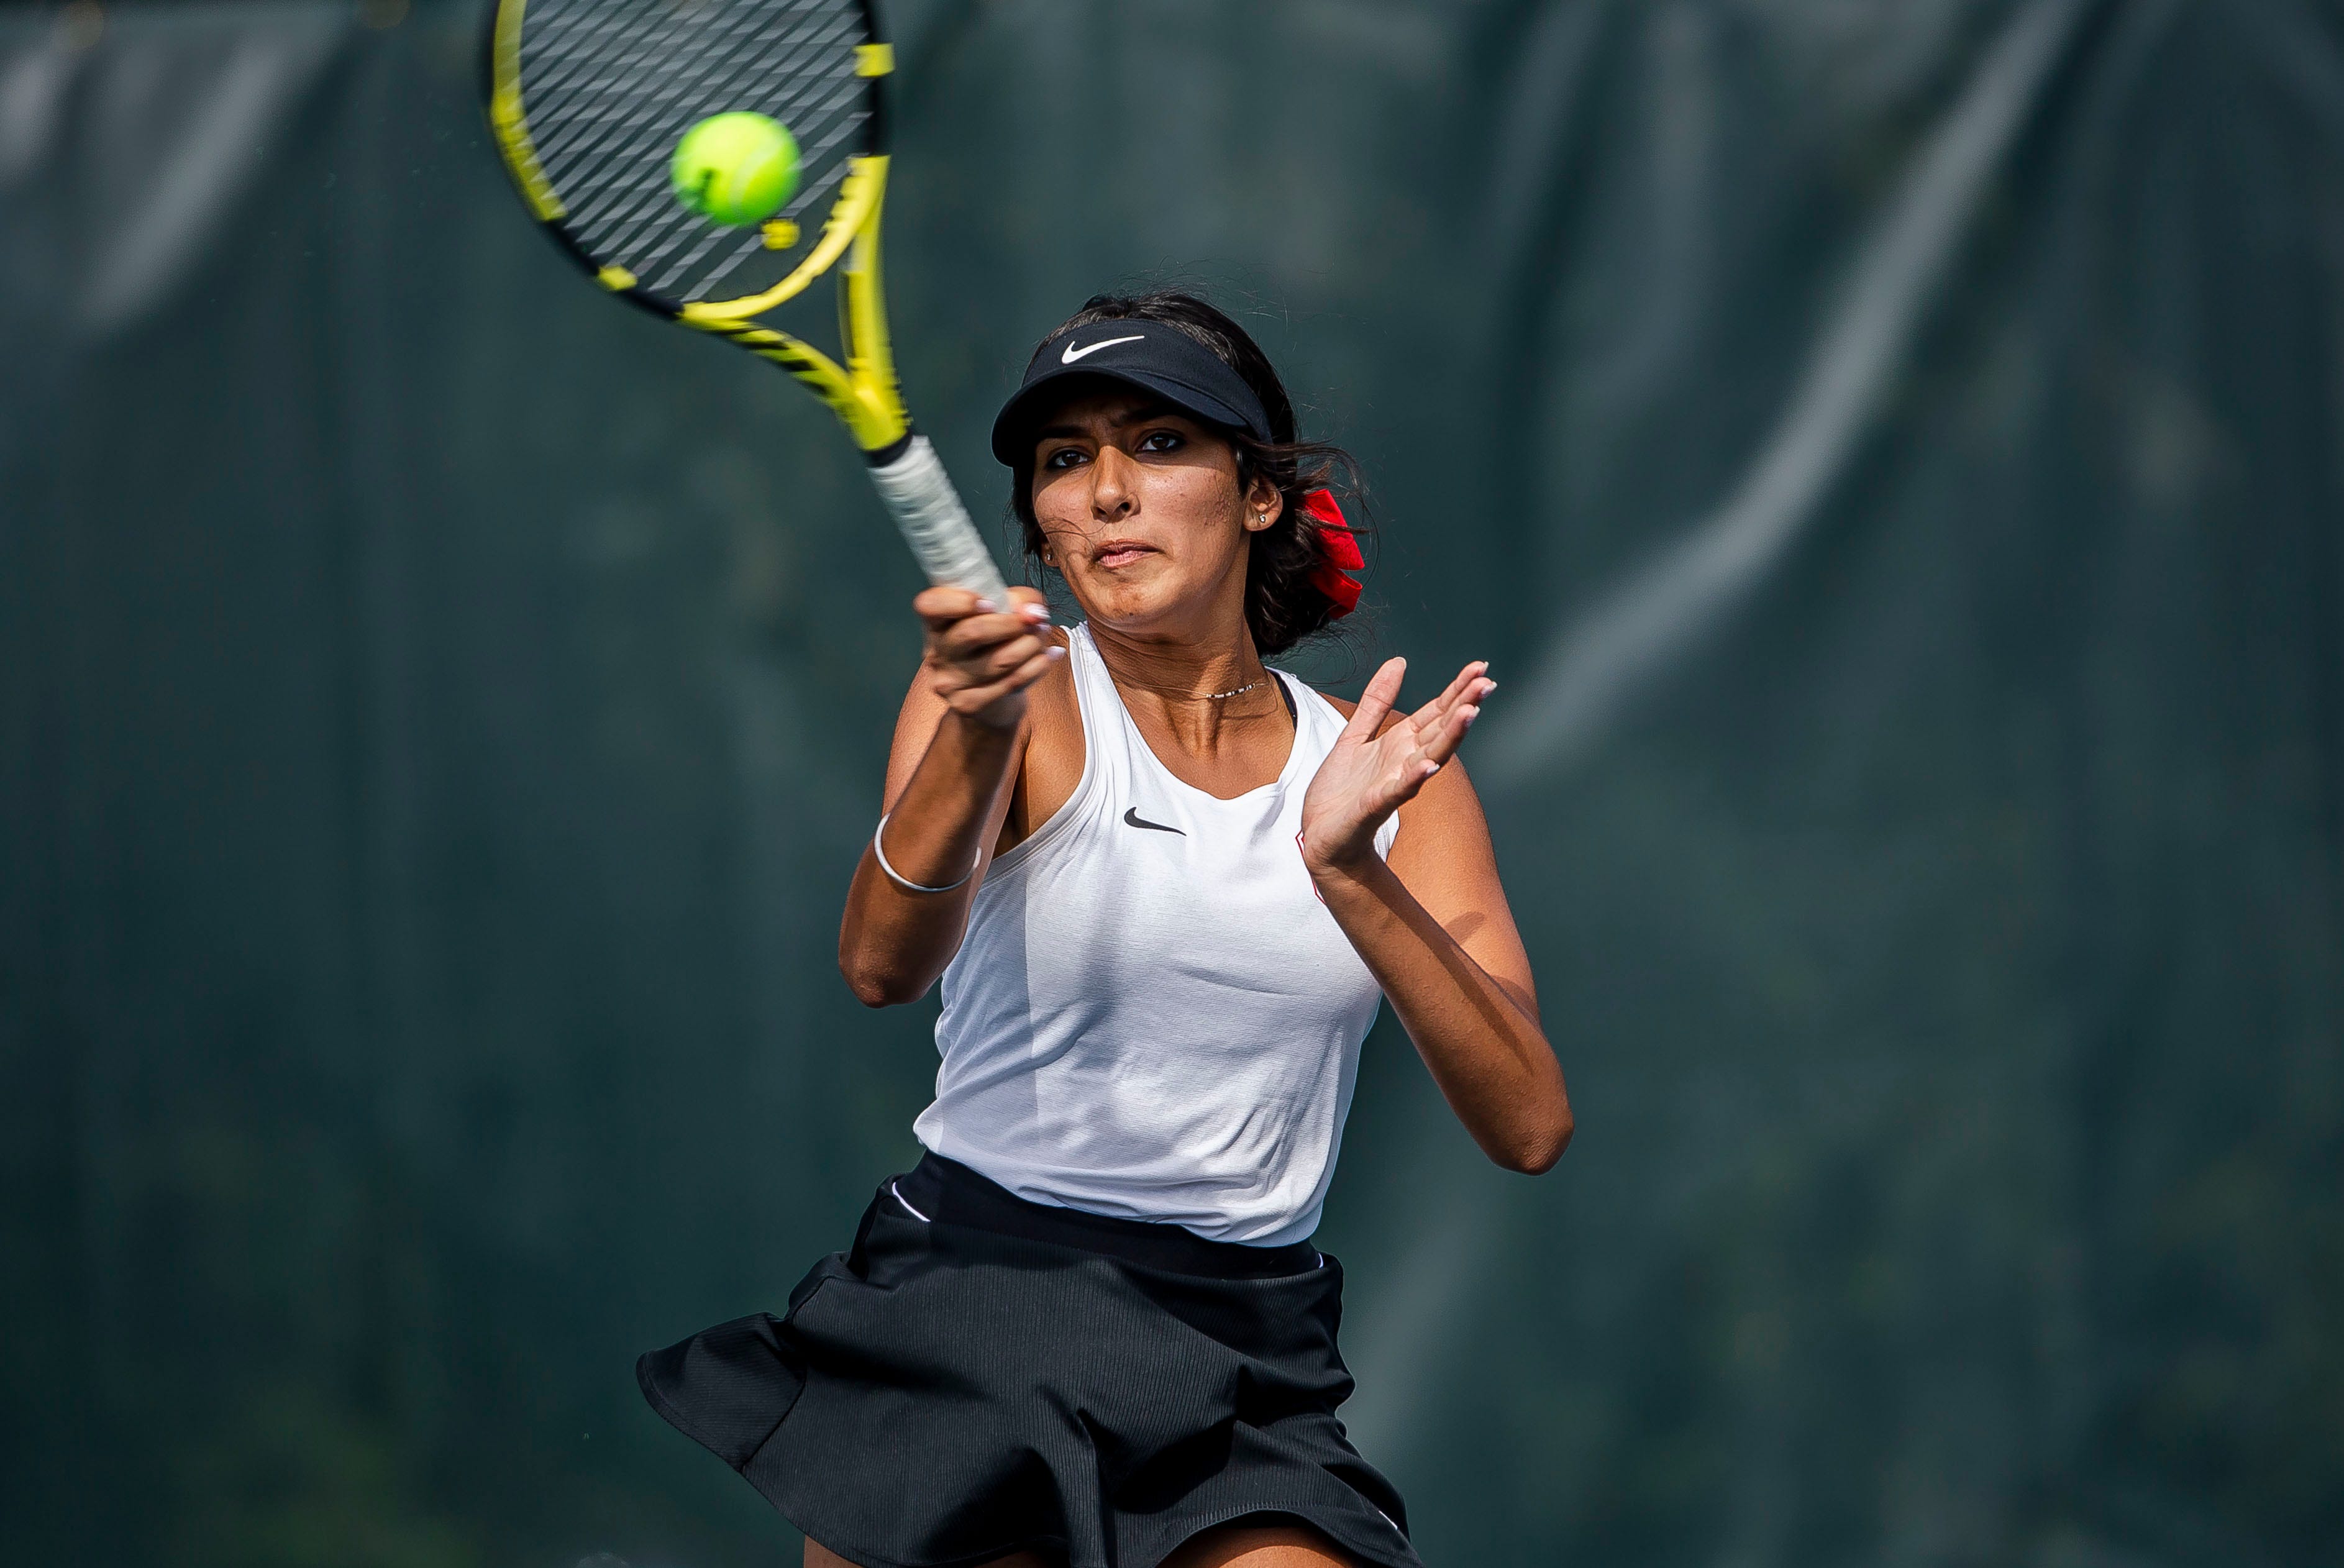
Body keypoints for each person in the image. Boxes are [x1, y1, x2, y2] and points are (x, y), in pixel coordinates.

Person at [639, 291, 1571, 1568]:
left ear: (1257, 496)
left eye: (1160, 442)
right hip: (973, 1313)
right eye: (1067, 462)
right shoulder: (1013, 702)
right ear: (1045, 525)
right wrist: (975, 736)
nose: (1110, 490)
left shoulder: (1389, 770)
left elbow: (1528, 1124)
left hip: (1247, 1343)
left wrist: (1351, 868)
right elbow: (880, 964)